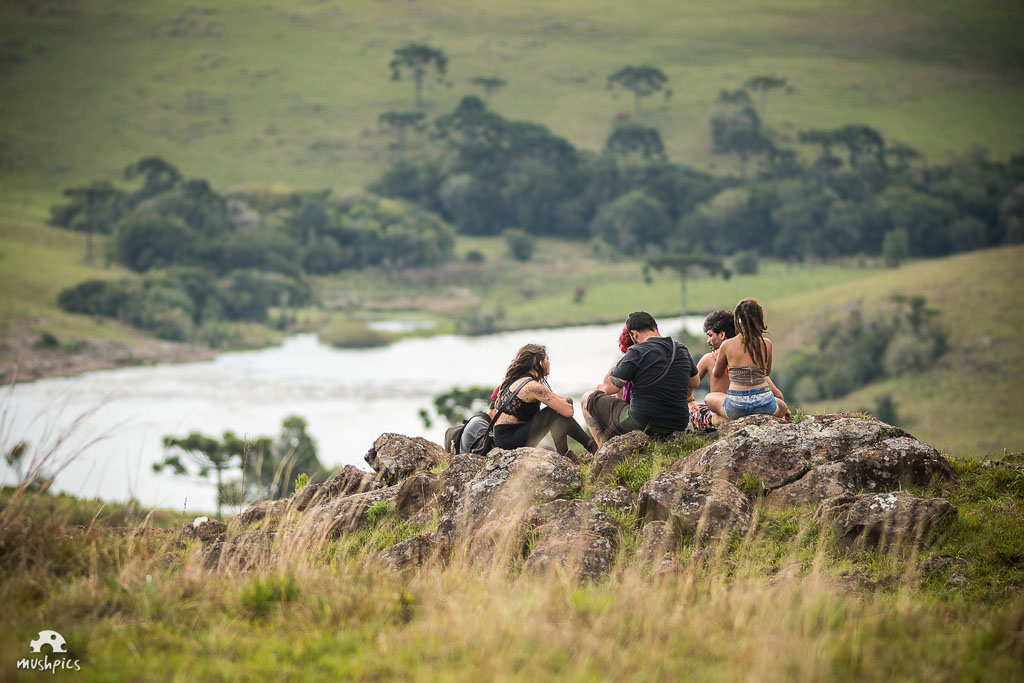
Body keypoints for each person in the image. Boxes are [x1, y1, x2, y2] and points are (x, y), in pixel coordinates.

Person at [582, 311, 699, 447]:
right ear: (655, 327)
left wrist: (614, 370)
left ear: (634, 334)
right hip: (678, 422)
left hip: (643, 422)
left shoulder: (636, 351)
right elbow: (695, 381)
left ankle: (603, 450)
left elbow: (610, 388)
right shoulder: (680, 349)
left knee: (586, 398)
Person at [492, 344, 597, 456]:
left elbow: (558, 402)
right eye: (547, 359)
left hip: (505, 439)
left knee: (556, 411)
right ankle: (588, 447)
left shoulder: (520, 382)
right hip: (509, 442)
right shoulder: (532, 386)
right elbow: (568, 411)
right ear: (540, 363)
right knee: (555, 412)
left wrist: (563, 401)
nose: (549, 363)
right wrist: (565, 401)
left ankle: (573, 451)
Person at [695, 309, 789, 424]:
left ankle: (722, 419)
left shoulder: (708, 359)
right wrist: (782, 409)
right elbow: (777, 394)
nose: (708, 340)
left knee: (700, 407)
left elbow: (688, 387)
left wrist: (691, 402)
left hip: (729, 410)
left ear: (722, 335)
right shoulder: (750, 361)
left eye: (710, 335)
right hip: (753, 409)